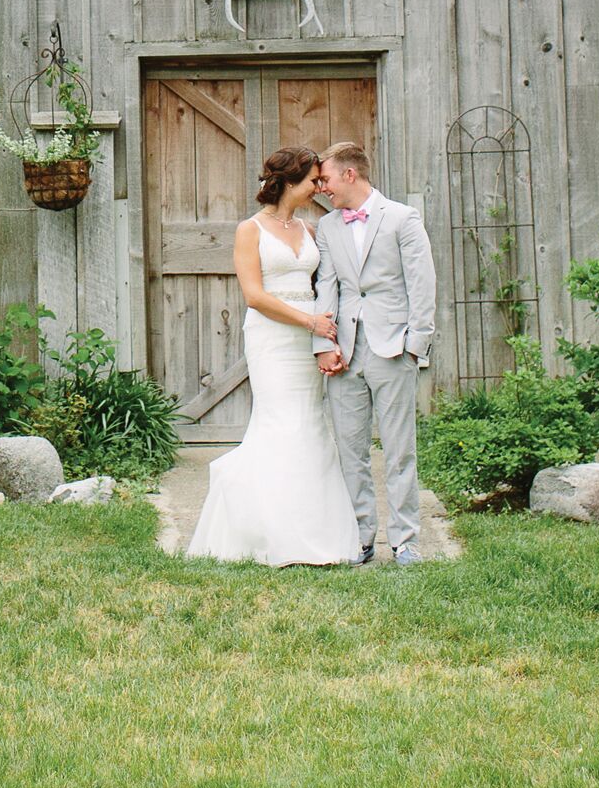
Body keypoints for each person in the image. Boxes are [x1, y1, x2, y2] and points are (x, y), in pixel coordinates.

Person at [182, 145, 359, 567]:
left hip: (306, 342)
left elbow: (323, 288)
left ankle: (314, 532)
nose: (320, 186)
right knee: (280, 423)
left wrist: (325, 339)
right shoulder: (251, 230)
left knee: (311, 423)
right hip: (273, 340)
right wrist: (309, 322)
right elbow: (255, 296)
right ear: (290, 182)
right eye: (314, 180)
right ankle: (269, 531)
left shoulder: (310, 230)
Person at [312, 139, 438, 564]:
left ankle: (405, 540)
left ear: (350, 174)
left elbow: (422, 284)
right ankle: (361, 536)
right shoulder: (327, 227)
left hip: (393, 348)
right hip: (345, 351)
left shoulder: (402, 218)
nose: (321, 187)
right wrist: (322, 345)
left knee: (400, 448)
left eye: (326, 178)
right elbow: (326, 286)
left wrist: (415, 345)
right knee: (351, 448)